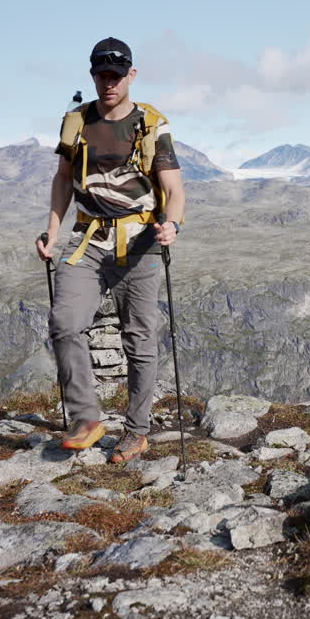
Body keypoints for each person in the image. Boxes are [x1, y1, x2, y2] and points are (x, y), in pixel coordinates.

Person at [35, 37, 186, 463]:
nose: (109, 83)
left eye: (117, 76)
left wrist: (172, 224)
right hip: (88, 238)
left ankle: (136, 431)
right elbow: (64, 179)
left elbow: (174, 189)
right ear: (92, 75)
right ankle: (87, 418)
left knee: (139, 341)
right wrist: (51, 231)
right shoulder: (76, 122)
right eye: (102, 75)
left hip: (140, 242)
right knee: (65, 321)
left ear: (131, 76)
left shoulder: (151, 124)